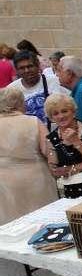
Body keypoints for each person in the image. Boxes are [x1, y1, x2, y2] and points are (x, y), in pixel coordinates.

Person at [0, 87, 57, 225]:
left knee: (11, 225)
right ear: (19, 103)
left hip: (4, 182)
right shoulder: (33, 121)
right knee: (43, 222)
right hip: (36, 179)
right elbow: (49, 151)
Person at [42, 94, 82, 198]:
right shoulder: (51, 138)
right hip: (70, 191)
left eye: (64, 111)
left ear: (73, 111)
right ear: (51, 118)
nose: (61, 116)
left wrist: (76, 141)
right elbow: (55, 171)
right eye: (56, 113)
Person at [9, 50, 69, 125]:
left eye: (30, 66)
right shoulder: (11, 90)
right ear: (16, 70)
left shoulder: (55, 81)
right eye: (22, 68)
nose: (27, 70)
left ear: (38, 65)